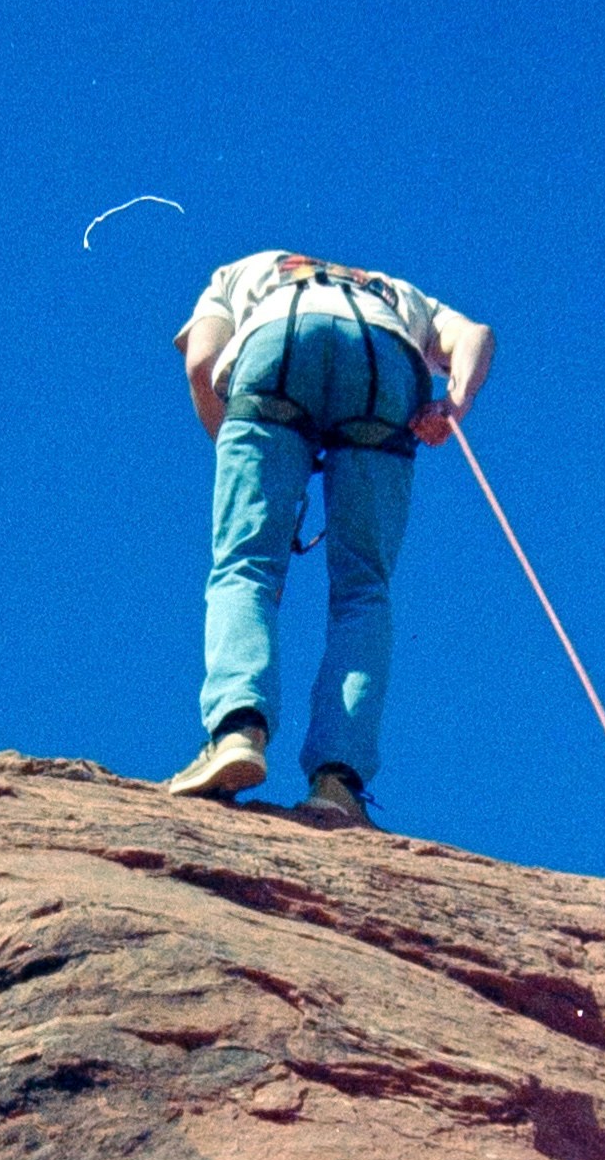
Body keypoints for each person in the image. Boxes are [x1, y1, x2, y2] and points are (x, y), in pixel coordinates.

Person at [165, 249, 495, 820]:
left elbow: (201, 361)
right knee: (363, 590)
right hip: (384, 359)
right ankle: (338, 782)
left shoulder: (241, 271)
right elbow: (475, 335)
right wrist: (455, 404)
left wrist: (246, 449)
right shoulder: (399, 290)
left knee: (248, 563)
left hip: (273, 343)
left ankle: (238, 732)